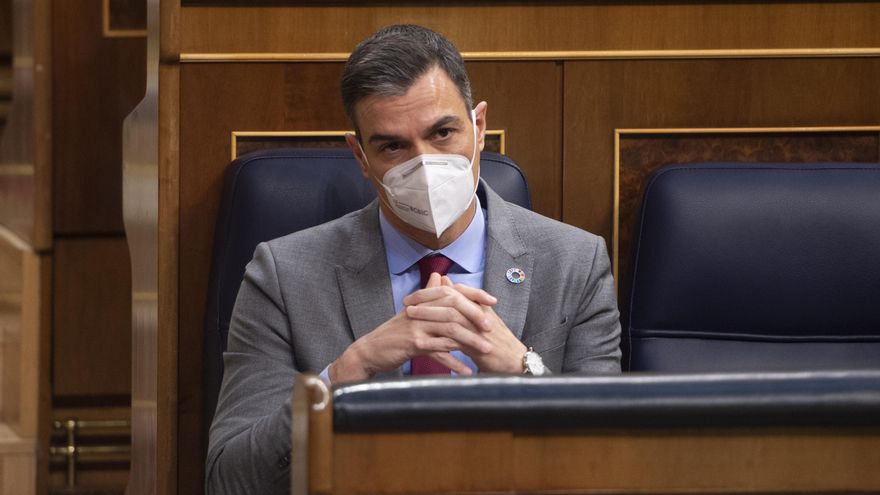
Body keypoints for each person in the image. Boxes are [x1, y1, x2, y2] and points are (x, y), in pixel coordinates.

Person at [206, 24, 621, 494]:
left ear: (479, 128)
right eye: (393, 146)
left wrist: (524, 370)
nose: (423, 164)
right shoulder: (282, 275)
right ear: (361, 156)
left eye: (442, 132)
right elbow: (230, 479)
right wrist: (344, 374)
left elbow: (609, 463)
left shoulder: (575, 261)